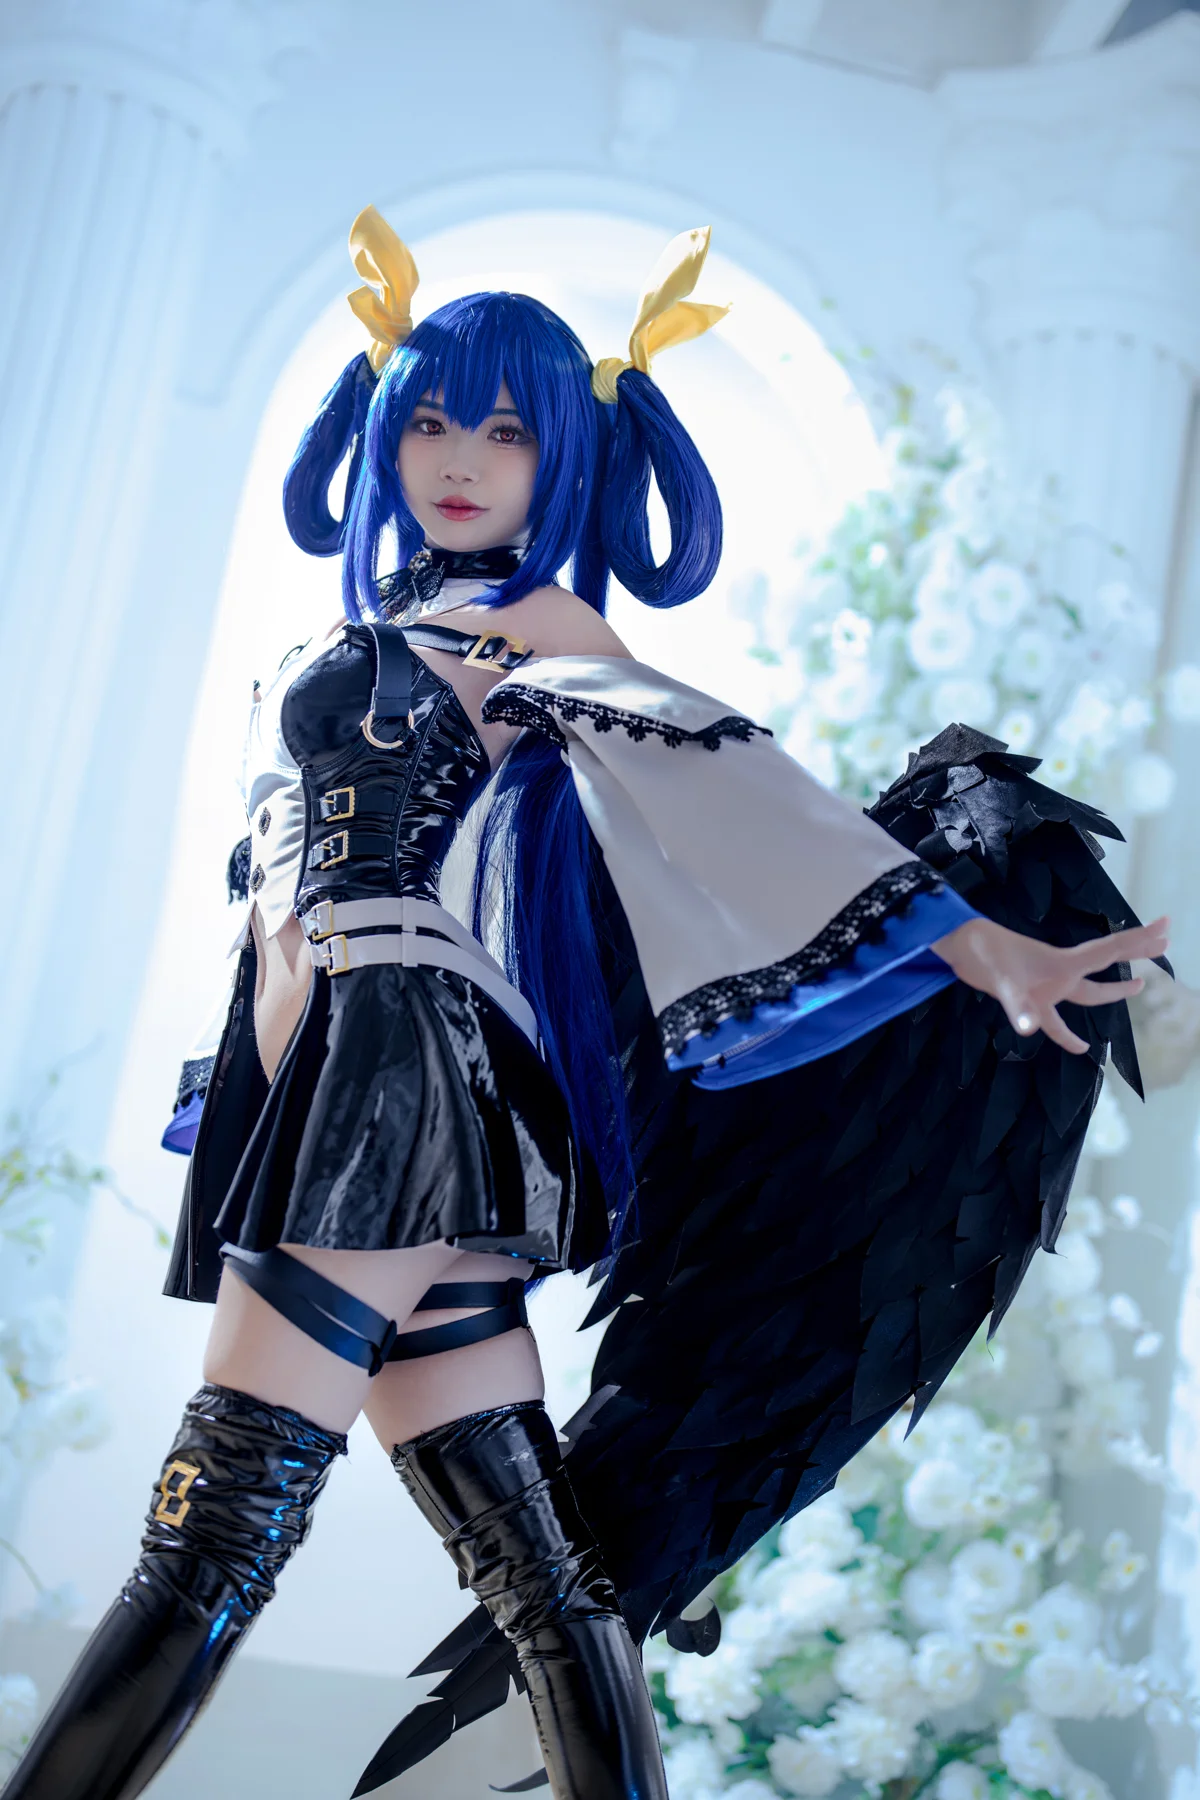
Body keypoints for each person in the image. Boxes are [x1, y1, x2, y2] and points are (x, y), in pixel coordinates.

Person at [3, 210, 1167, 1800]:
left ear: (564, 459)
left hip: (391, 1078)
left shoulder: (532, 628)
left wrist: (981, 945)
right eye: (431, 420)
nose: (460, 460)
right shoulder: (375, 625)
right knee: (549, 1587)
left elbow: (728, 783)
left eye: (506, 432)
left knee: (218, 1524)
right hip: (362, 1082)